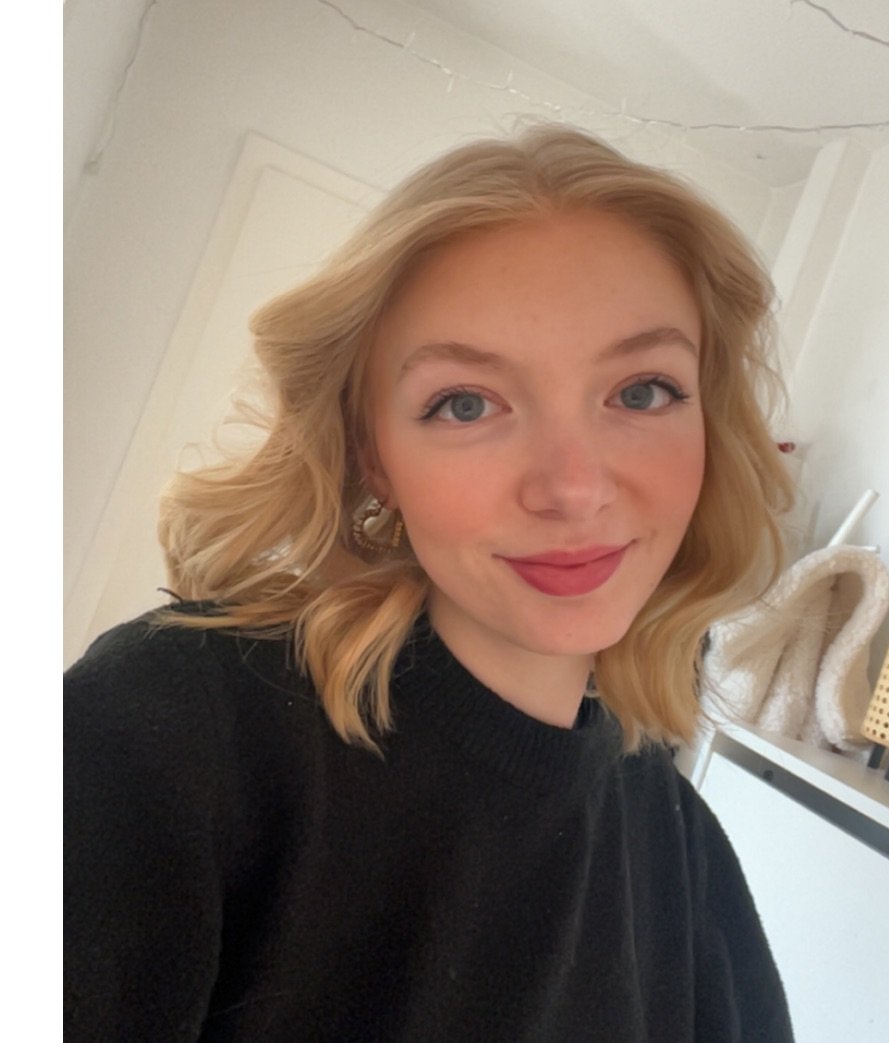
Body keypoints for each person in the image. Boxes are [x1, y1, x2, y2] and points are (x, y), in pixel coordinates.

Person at [64, 124, 795, 1042]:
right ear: (373, 455)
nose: (573, 488)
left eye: (642, 391)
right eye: (465, 403)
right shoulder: (171, 729)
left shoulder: (684, 851)